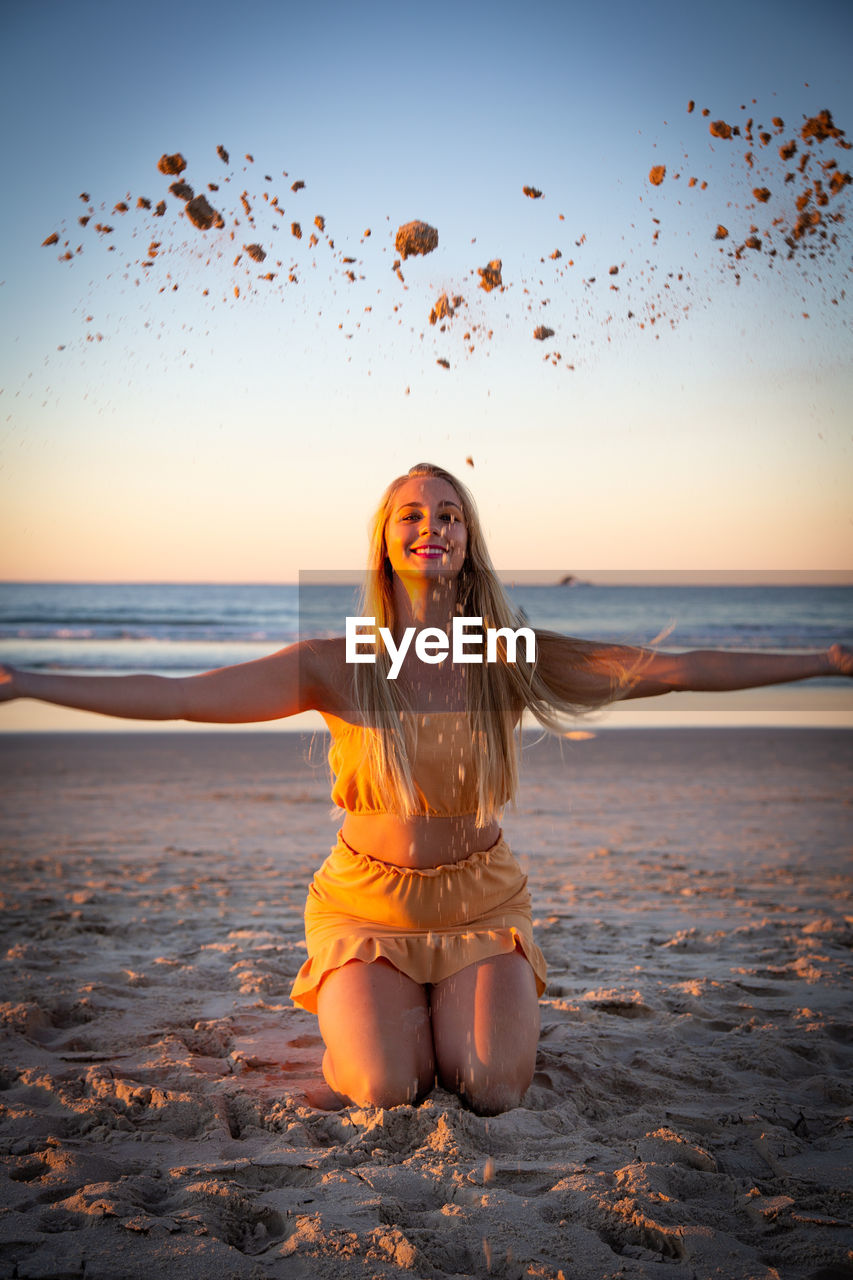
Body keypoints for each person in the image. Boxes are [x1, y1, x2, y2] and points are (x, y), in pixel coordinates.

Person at [2, 462, 850, 1115]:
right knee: (380, 1089)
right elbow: (180, 696)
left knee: (491, 1092)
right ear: (385, 537)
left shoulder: (508, 653)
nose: (431, 527)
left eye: (449, 515)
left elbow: (672, 669)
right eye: (412, 514)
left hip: (478, 903)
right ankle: (374, 1019)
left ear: (467, 540)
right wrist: (33, 680)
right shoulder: (338, 664)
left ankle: (444, 1010)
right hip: (367, 905)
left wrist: (824, 661)